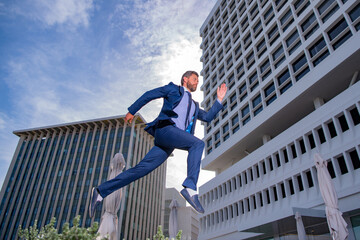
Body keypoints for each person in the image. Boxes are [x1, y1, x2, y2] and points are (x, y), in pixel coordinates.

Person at [90, 71, 227, 216]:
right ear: (185, 79)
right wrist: (132, 111)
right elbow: (150, 94)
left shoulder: (194, 105)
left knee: (140, 170)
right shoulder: (173, 89)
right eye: (194, 79)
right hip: (165, 129)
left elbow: (207, 117)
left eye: (198, 81)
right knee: (197, 144)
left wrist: (218, 100)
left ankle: (100, 191)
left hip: (169, 142)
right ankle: (190, 188)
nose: (197, 82)